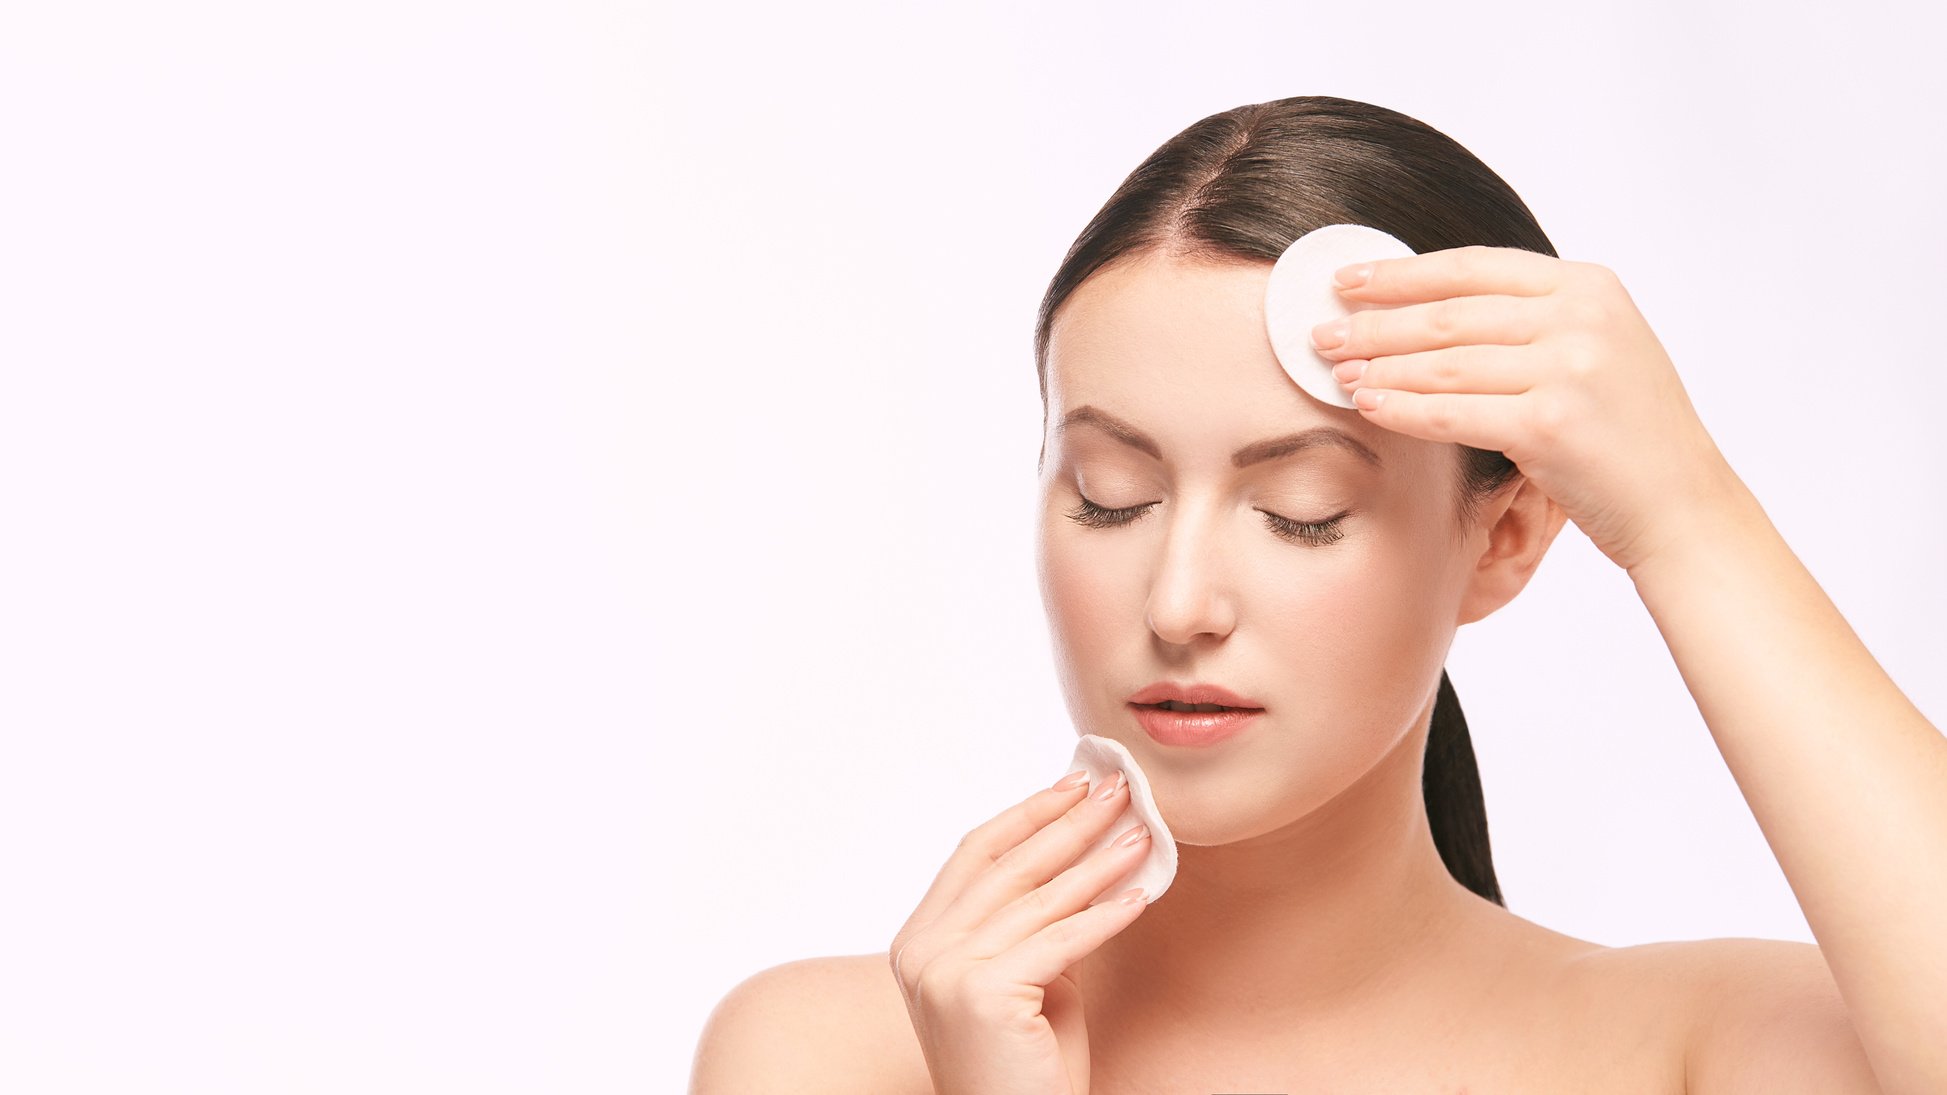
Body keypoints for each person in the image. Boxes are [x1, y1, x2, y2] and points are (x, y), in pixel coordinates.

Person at [690, 95, 1943, 1093]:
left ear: (1502, 541)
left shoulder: (1696, 1052)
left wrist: (1688, 518)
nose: (1179, 603)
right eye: (1111, 495)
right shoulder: (829, 1058)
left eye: (1302, 512)